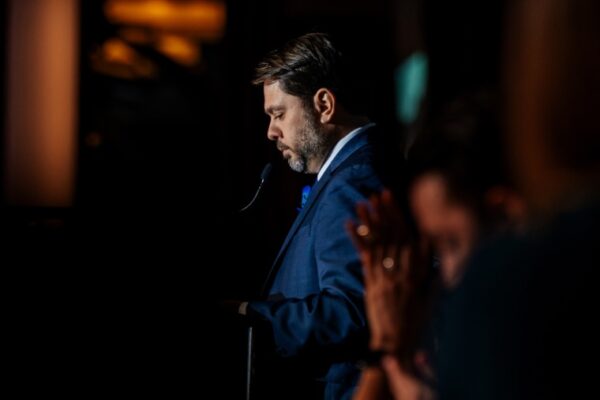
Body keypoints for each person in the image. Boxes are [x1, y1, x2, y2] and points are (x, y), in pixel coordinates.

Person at [236, 32, 388, 400]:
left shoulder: (352, 180)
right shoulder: (352, 171)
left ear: (323, 104)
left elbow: (352, 309)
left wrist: (250, 314)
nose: (271, 132)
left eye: (279, 114)